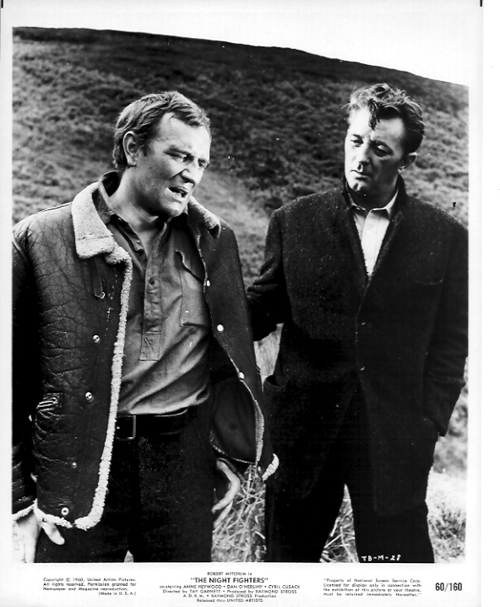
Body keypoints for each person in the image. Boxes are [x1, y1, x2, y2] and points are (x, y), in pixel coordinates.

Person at [12, 90, 277, 563]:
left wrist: (228, 457)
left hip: (184, 464)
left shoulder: (216, 240)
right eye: (180, 156)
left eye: (201, 162)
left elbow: (228, 358)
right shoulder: (41, 239)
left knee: (181, 594)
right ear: (133, 148)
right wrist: (18, 501)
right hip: (78, 465)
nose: (193, 174)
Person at [248, 83, 468, 563]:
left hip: (395, 439)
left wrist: (429, 420)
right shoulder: (294, 221)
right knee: (288, 574)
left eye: (381, 149)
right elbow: (258, 311)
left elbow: (452, 342)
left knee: (399, 578)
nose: (363, 157)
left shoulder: (446, 237)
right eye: (355, 141)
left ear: (407, 161)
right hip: (302, 434)